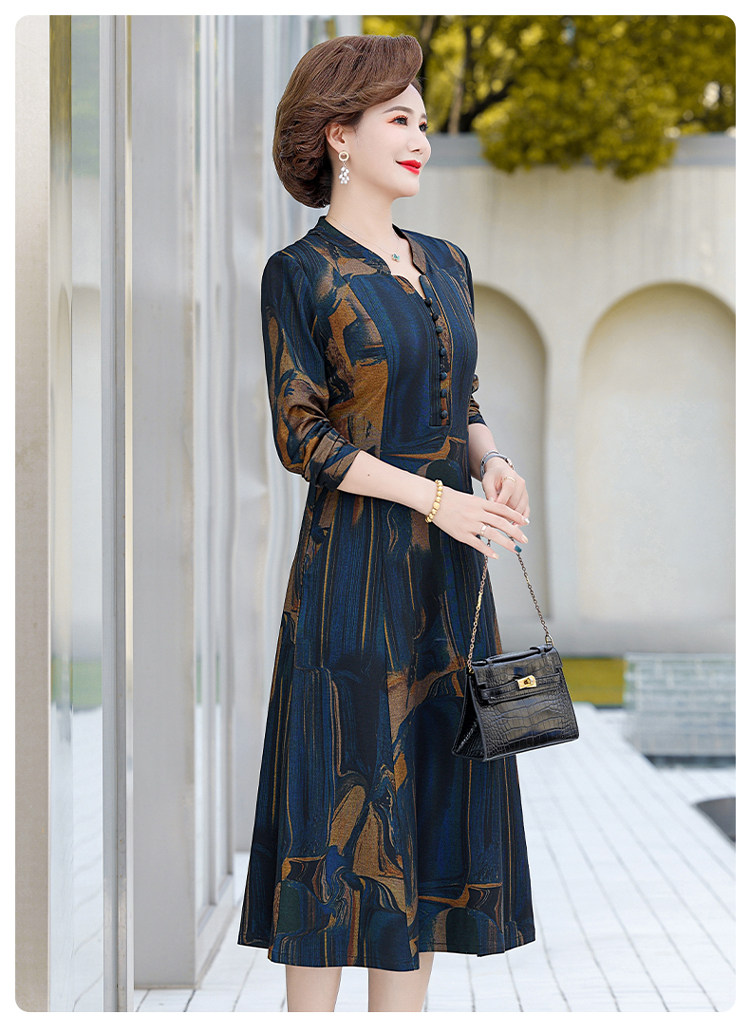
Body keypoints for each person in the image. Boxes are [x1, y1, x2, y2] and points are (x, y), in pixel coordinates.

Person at [237, 33, 536, 1013]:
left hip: (449, 579)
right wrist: (434, 498)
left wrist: (491, 464)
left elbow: (461, 396)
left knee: (429, 819)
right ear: (339, 134)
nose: (421, 140)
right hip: (354, 577)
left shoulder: (446, 262)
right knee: (341, 813)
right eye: (399, 119)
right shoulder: (300, 272)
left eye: (422, 122)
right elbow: (304, 437)